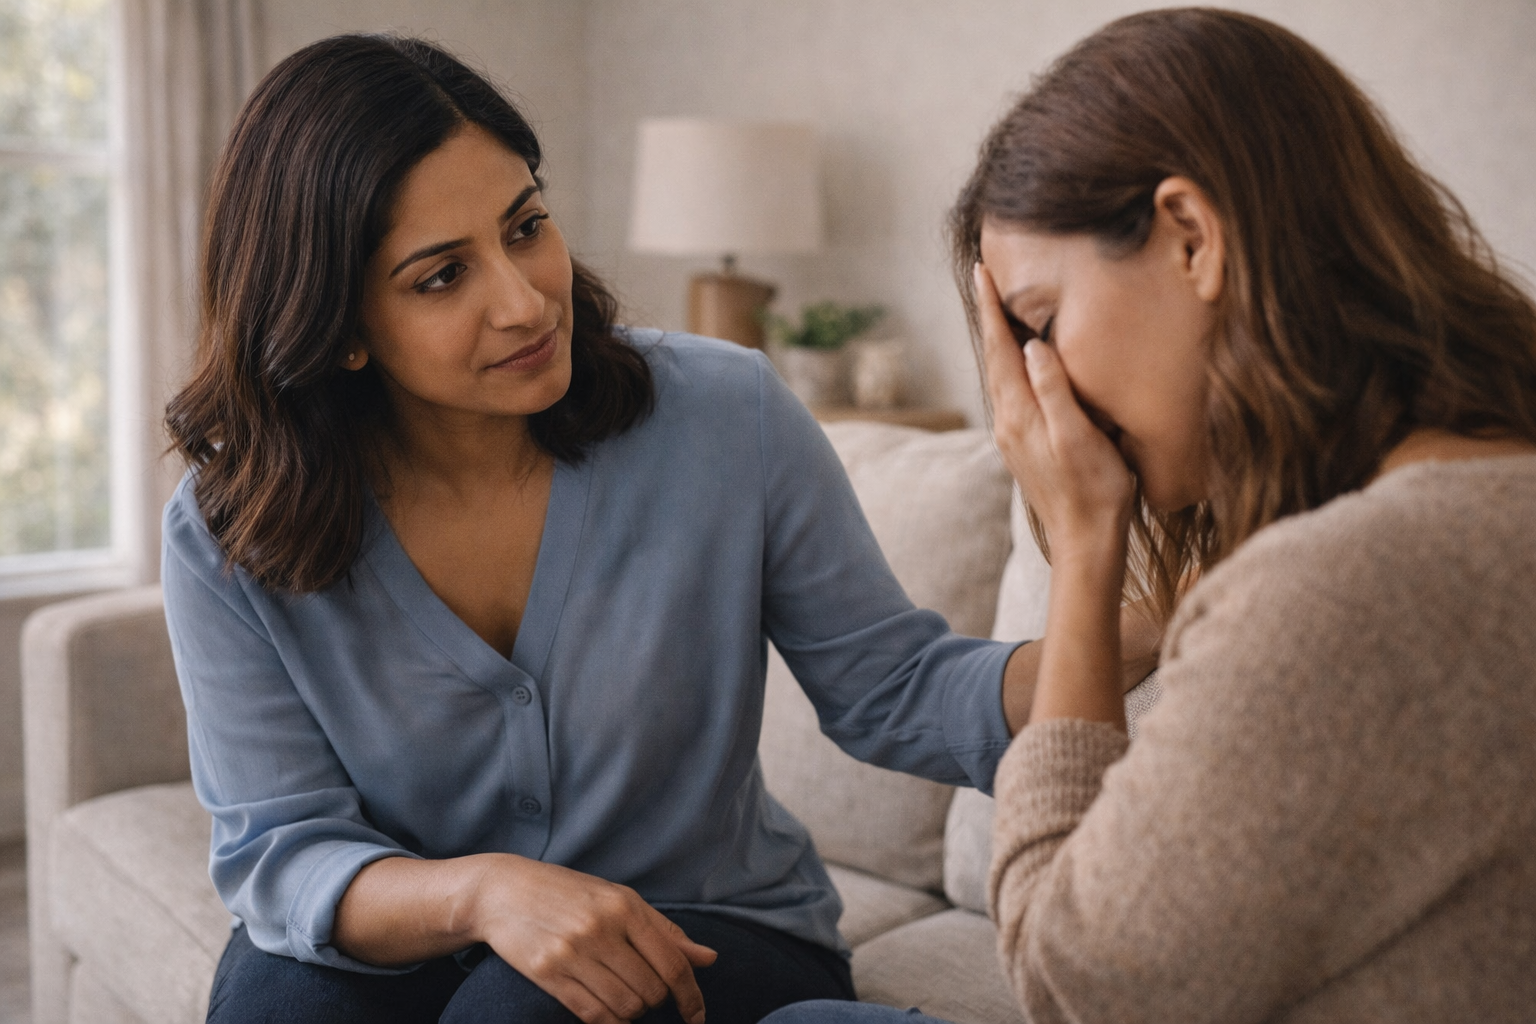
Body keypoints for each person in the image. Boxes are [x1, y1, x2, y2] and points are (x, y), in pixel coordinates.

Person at [162, 33, 1161, 1024]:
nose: (522, 301)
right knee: (275, 997)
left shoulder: (723, 412)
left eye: (524, 227)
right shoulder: (227, 529)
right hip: (427, 931)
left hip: (721, 930)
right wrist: (485, 891)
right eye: (440, 276)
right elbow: (282, 851)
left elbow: (891, 686)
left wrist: (1142, 623)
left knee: (524, 1010)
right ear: (336, 327)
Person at [765, 8, 1536, 1024]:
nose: (1042, 400)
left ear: (1190, 236)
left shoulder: (1345, 581)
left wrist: (1086, 549)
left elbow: (1073, 985)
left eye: (1040, 325)